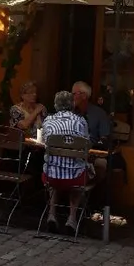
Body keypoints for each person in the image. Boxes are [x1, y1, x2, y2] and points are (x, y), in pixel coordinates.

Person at [42, 90, 90, 235]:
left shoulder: (48, 121)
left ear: (55, 105)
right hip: (75, 178)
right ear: (73, 104)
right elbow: (86, 144)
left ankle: (51, 214)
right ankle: (72, 218)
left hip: (51, 177)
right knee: (76, 172)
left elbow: (44, 142)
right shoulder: (81, 121)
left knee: (54, 168)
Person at [72, 81, 111, 145]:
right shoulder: (69, 113)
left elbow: (105, 138)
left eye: (74, 94)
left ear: (84, 96)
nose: (72, 97)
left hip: (91, 151)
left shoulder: (99, 113)